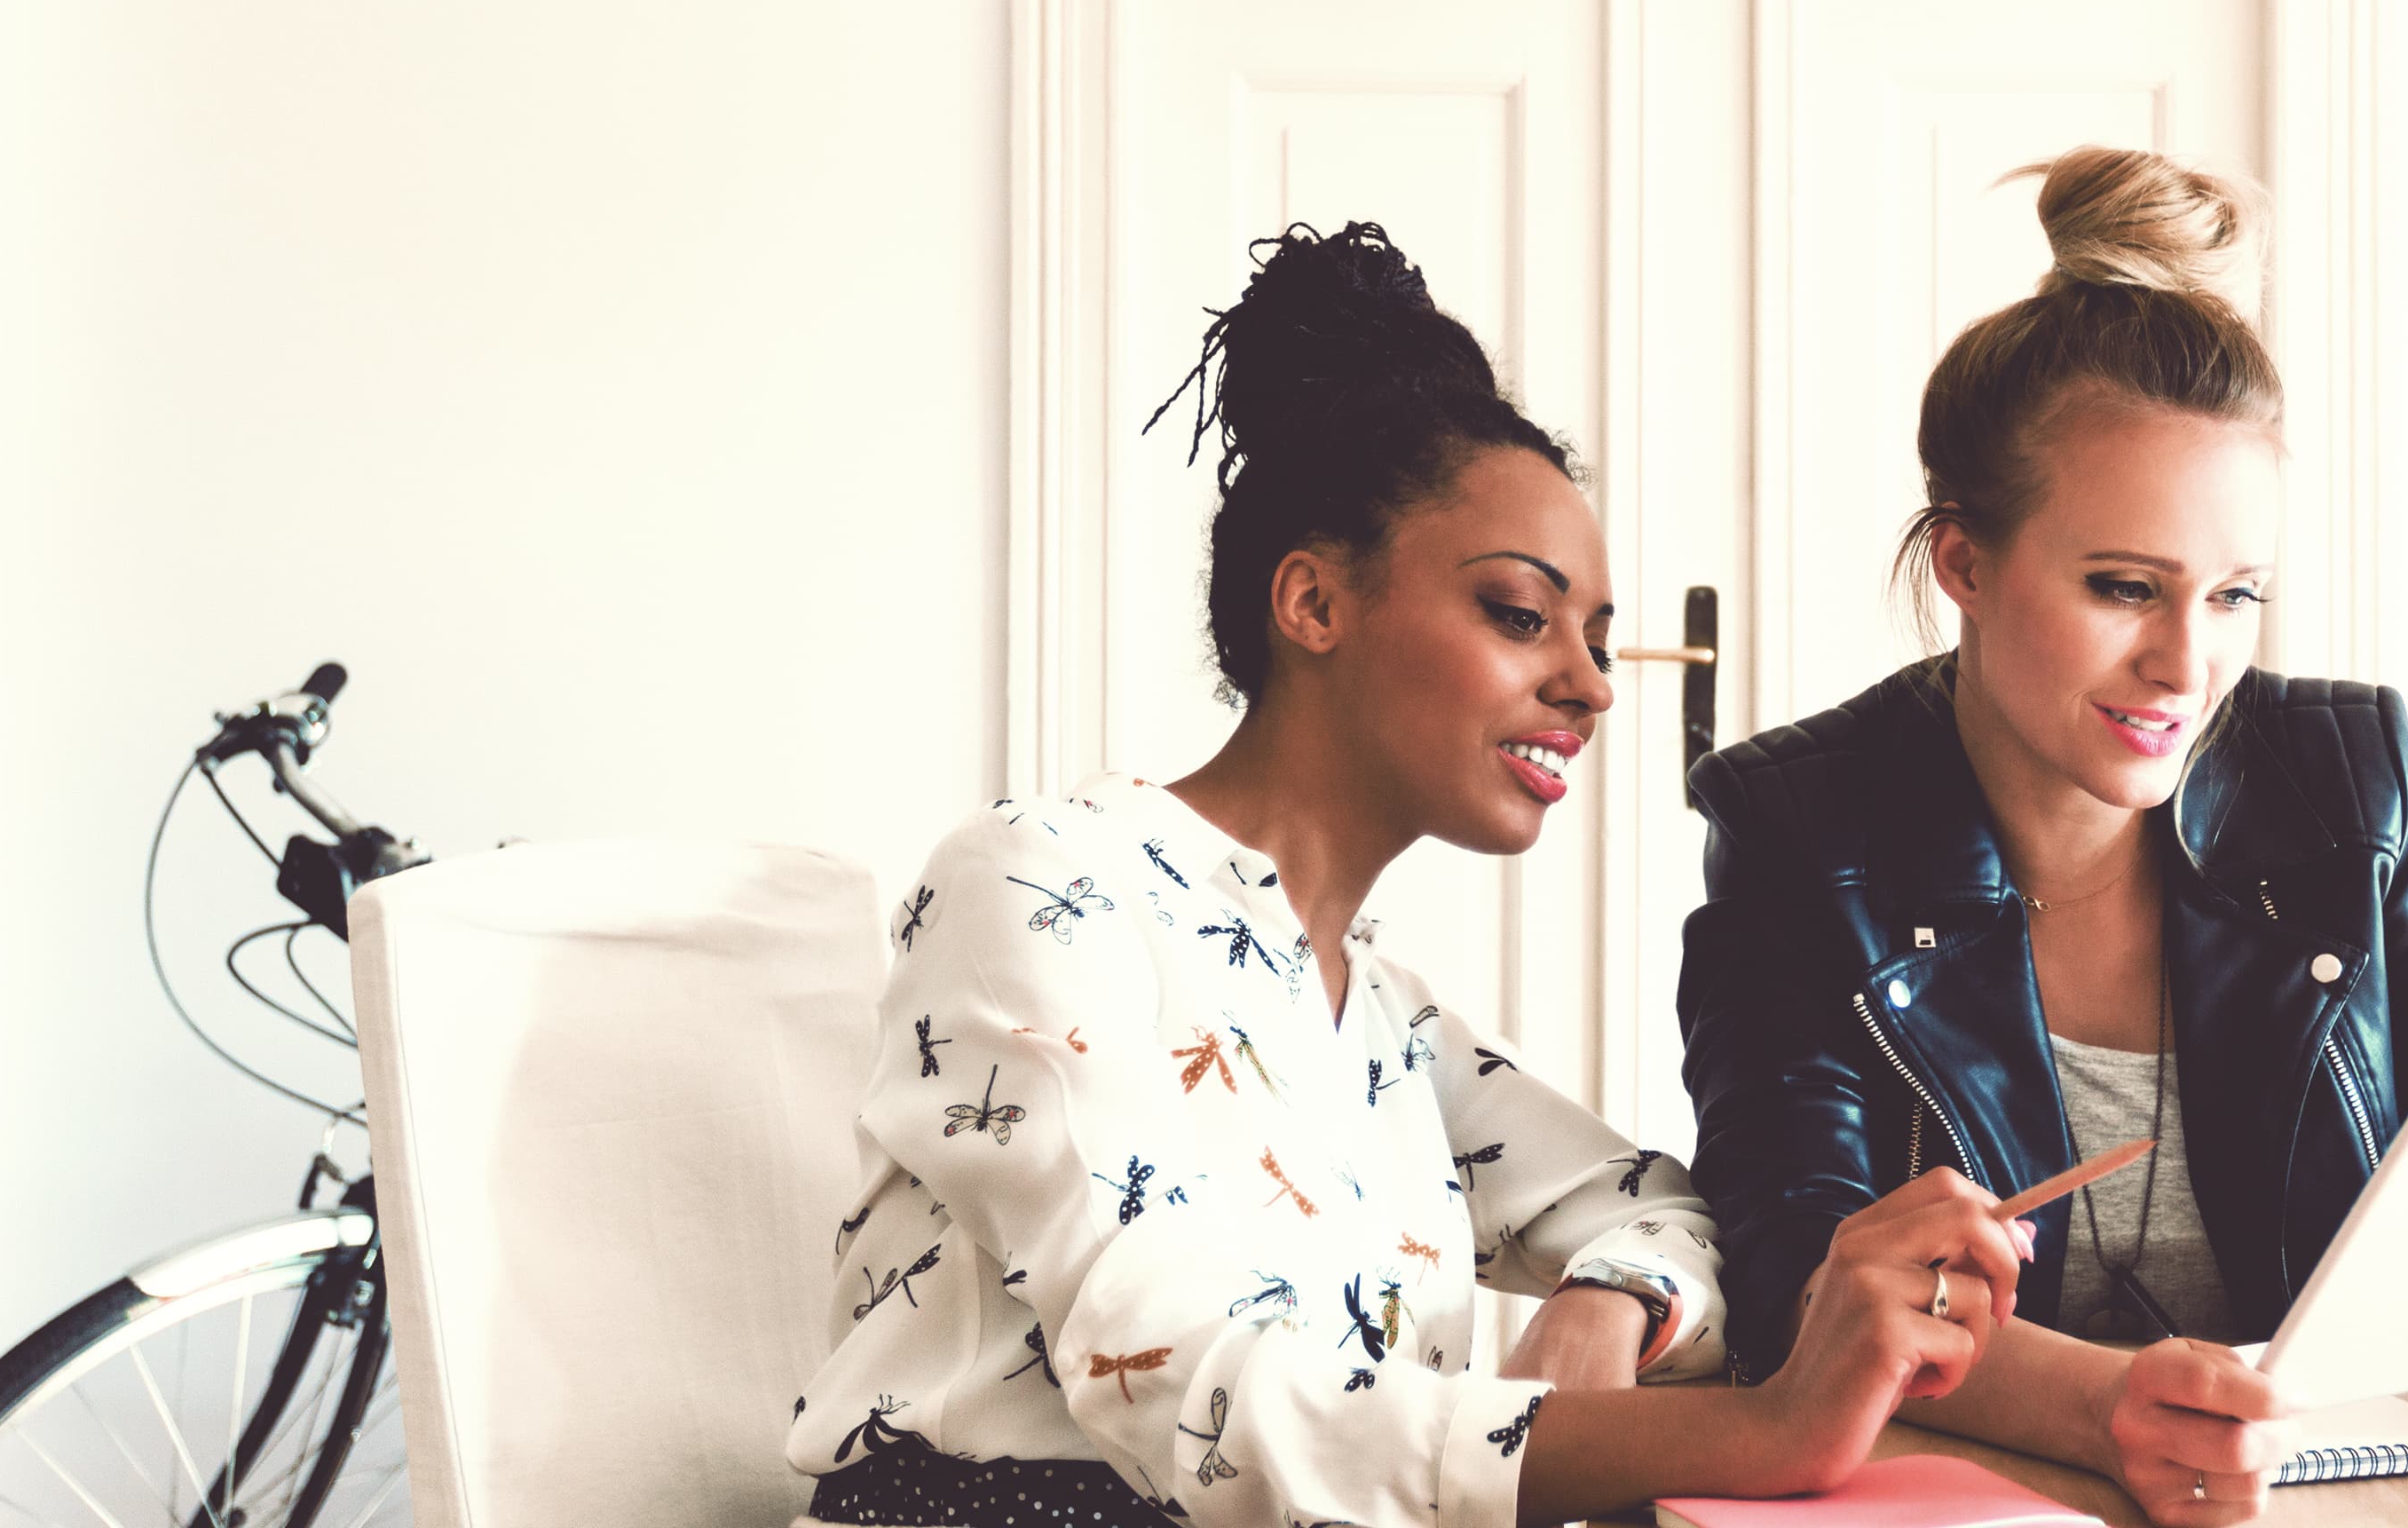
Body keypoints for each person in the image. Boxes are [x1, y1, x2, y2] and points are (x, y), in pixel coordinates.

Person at [789, 223, 2020, 1528]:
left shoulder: (1386, 1023)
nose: (1591, 685)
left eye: (1598, 639)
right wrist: (1761, 1432)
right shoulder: (1040, 886)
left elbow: (1661, 1203)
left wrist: (1619, 1296)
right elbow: (1188, 1390)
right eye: (1517, 613)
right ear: (1313, 604)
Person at [1674, 149, 2408, 1525]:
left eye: (2235, 595)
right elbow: (1798, 1272)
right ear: (1963, 566)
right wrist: (2103, 1409)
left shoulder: (2346, 780)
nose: (2185, 663)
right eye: (2123, 589)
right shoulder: (1799, 825)